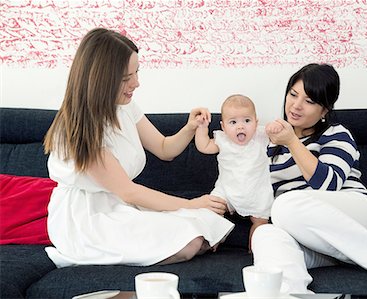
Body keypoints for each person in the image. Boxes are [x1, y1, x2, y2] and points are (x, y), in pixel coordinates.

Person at [43, 28, 234, 267]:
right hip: (88, 221)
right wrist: (193, 203)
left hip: (120, 206)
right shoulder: (81, 130)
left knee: (206, 222)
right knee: (193, 238)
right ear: (100, 79)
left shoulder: (124, 107)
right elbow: (129, 191)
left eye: (136, 73)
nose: (136, 83)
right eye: (125, 78)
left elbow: (165, 148)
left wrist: (190, 127)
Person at [252, 63, 367, 293]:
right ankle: (292, 295)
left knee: (285, 205)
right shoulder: (269, 145)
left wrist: (292, 142)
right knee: (265, 235)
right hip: (317, 240)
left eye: (309, 101)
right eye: (293, 94)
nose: (296, 105)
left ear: (324, 110)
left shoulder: (336, 134)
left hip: (359, 221)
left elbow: (328, 184)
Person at [195, 94, 273, 251]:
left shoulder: (262, 136)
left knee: (260, 223)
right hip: (227, 190)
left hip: (257, 190)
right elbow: (203, 146)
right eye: (233, 122)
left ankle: (257, 250)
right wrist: (202, 128)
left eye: (247, 121)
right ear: (223, 127)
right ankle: (211, 244)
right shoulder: (222, 140)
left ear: (256, 123)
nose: (240, 127)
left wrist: (275, 129)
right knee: (213, 209)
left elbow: (281, 138)